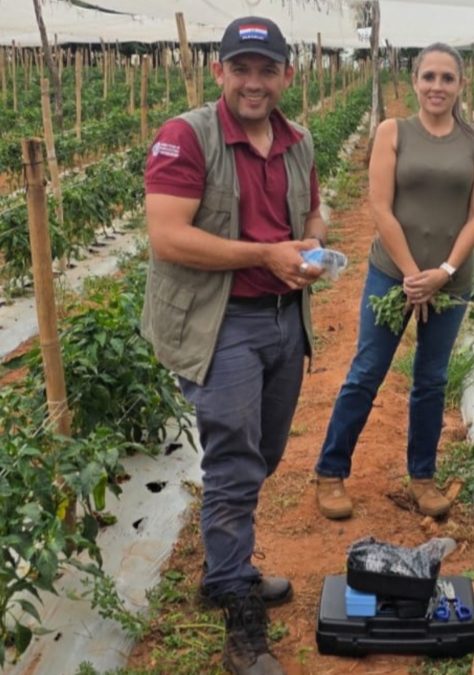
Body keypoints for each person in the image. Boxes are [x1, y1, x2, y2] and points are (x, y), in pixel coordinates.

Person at [141, 15, 326, 675]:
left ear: (286, 75)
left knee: (264, 452)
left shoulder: (298, 140)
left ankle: (227, 571)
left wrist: (308, 243)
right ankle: (242, 626)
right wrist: (264, 254)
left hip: (284, 317)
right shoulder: (185, 137)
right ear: (218, 71)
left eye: (266, 68)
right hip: (220, 324)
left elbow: (312, 211)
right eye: (241, 68)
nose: (254, 81)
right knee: (233, 465)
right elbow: (168, 236)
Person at [313, 43, 474, 521]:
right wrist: (414, 274)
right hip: (394, 275)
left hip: (451, 281)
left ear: (460, 85)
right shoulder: (393, 132)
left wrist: (445, 273)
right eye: (429, 76)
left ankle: (422, 477)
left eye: (447, 78)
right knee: (367, 371)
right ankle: (331, 472)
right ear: (414, 82)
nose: (437, 86)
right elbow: (381, 208)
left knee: (431, 381)